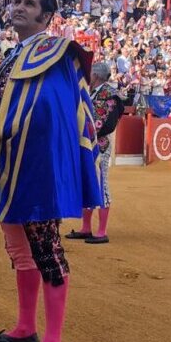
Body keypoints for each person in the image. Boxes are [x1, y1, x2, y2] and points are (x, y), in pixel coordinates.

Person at [0, 0, 102, 342]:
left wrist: (3, 129)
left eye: (29, 4)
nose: (19, 7)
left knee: (47, 250)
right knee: (19, 247)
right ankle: (25, 328)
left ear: (46, 17)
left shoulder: (59, 53)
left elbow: (54, 109)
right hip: (11, 161)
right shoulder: (14, 55)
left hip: (40, 165)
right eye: (17, 1)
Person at [66, 61, 124, 244]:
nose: (87, 75)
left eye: (90, 73)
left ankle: (102, 231)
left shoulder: (110, 94)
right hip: (87, 144)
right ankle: (86, 228)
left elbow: (108, 124)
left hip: (100, 145)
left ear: (96, 75)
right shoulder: (91, 92)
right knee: (88, 181)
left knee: (101, 183)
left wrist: (85, 131)